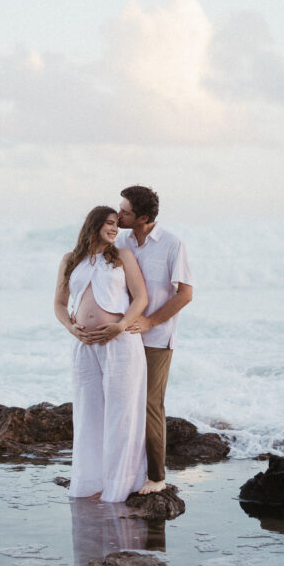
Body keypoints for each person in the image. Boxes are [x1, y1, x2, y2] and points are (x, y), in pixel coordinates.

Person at [54, 206, 149, 503]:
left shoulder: (122, 257)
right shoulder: (70, 260)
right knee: (87, 414)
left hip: (119, 344)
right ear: (93, 225)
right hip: (84, 345)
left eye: (116, 225)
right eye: (108, 223)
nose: (114, 229)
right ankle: (89, 483)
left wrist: (119, 326)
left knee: (121, 414)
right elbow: (59, 303)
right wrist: (73, 329)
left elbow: (141, 298)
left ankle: (119, 487)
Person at [116, 186, 193, 495]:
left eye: (125, 212)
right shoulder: (121, 241)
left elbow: (185, 294)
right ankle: (127, 473)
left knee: (150, 404)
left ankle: (157, 478)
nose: (118, 215)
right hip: (124, 336)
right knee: (124, 403)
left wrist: (149, 321)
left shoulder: (173, 244)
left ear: (143, 217)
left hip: (157, 337)